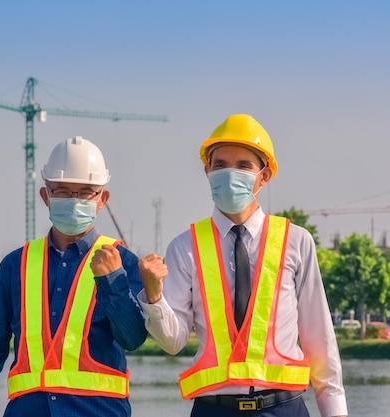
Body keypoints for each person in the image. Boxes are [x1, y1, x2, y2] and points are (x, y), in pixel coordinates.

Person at [138, 114, 348, 417]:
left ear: (264, 176)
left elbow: (320, 341)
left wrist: (335, 412)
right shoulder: (185, 247)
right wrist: (154, 295)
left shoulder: (296, 241)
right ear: (207, 170)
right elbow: (174, 341)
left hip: (284, 408)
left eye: (243, 165)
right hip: (214, 411)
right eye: (220, 164)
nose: (229, 173)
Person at [0, 136, 148, 417]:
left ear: (102, 200)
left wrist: (113, 281)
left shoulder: (123, 262)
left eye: (86, 192)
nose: (74, 201)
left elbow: (132, 338)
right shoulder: (16, 265)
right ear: (45, 196)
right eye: (62, 190)